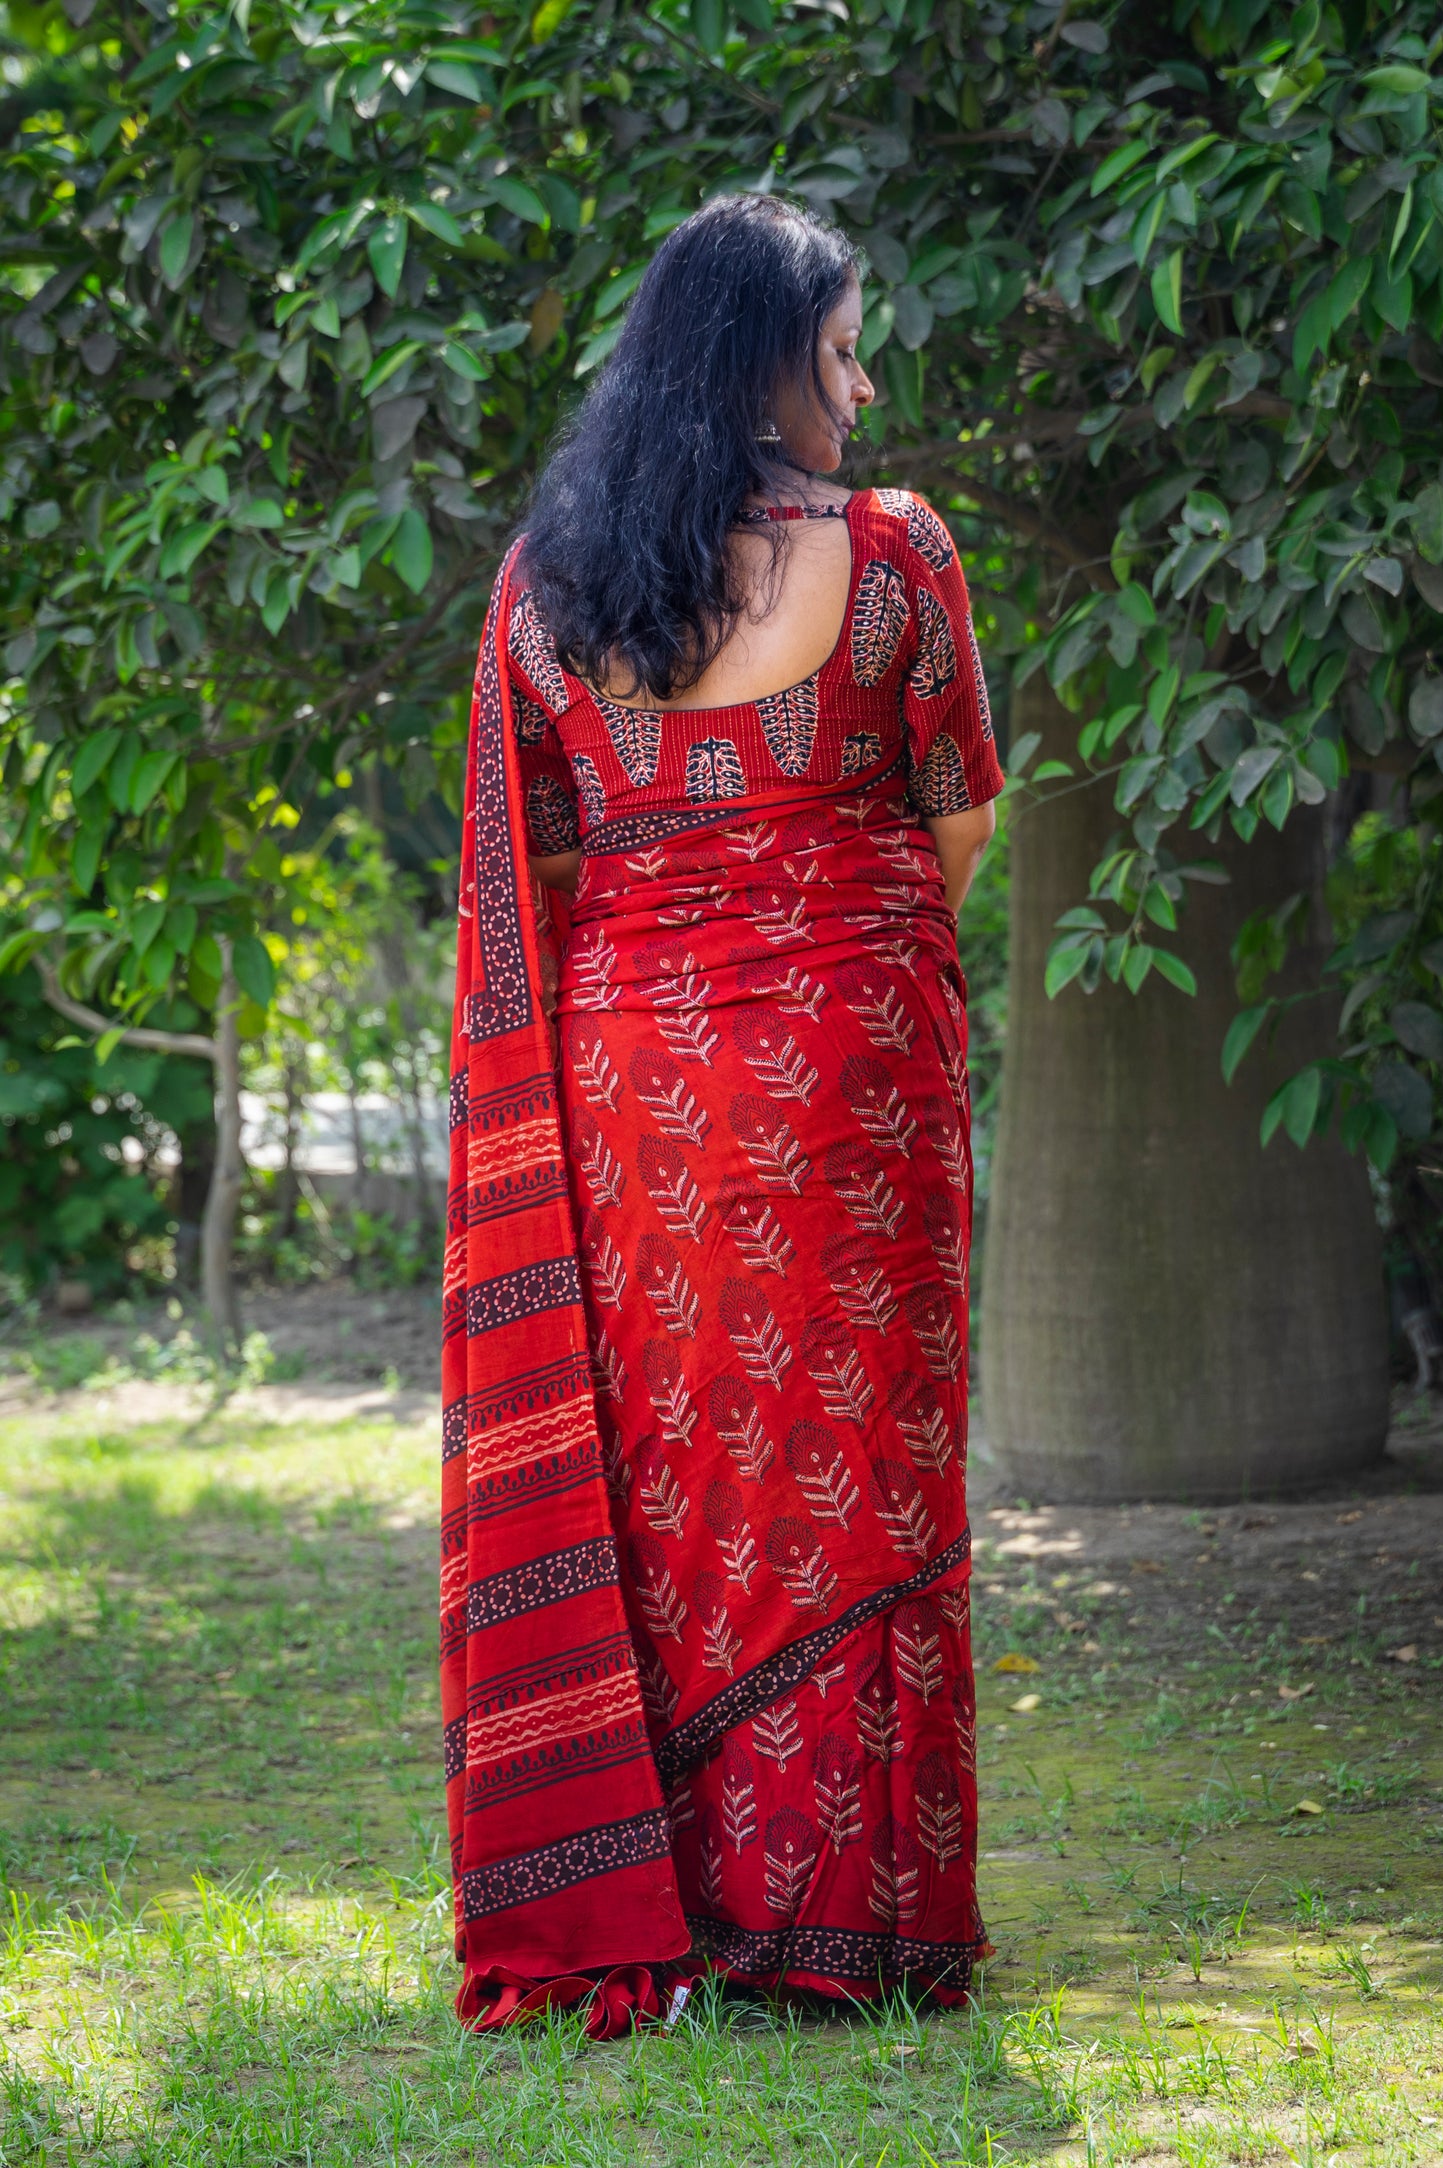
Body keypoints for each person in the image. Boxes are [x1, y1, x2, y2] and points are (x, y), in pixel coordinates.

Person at [442, 194, 1002, 2038]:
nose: (860, 382)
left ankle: (659, 1902)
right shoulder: (900, 557)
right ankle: (853, 1922)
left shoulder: (546, 589)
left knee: (674, 1475)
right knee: (862, 1475)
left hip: (627, 1095)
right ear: (765, 364)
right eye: (840, 347)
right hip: (852, 1074)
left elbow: (530, 865)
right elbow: (956, 827)